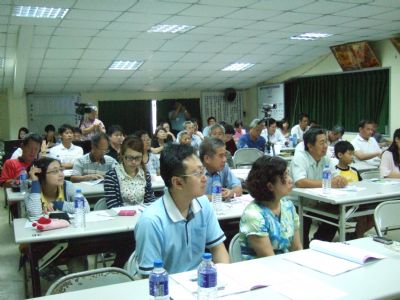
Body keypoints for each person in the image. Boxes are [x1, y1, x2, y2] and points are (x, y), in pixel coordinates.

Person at [134, 144, 229, 276]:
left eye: (203, 171)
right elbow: (149, 277)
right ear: (177, 182)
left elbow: (218, 248)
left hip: (200, 285)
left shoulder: (203, 204)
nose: (204, 178)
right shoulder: (151, 221)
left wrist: (224, 279)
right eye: (197, 173)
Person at [25, 157, 90, 273]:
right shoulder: (33, 192)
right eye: (54, 171)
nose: (60, 174)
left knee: (78, 258)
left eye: (61, 170)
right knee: (41, 264)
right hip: (45, 243)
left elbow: (85, 208)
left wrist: (58, 204)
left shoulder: (67, 186)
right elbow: (35, 215)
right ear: (42, 175)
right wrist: (35, 181)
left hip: (70, 240)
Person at [290, 128, 347, 248]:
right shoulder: (300, 158)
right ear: (310, 146)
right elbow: (300, 182)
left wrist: (341, 180)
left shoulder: (326, 159)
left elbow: (336, 177)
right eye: (322, 143)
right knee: (301, 242)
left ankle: (317, 243)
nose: (326, 146)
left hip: (317, 201)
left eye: (326, 142)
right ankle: (306, 247)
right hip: (296, 204)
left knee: (336, 213)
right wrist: (328, 183)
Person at [239, 156, 302, 259]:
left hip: (287, 266)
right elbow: (269, 259)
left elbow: (297, 248)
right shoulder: (254, 216)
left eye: (288, 174)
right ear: (270, 186)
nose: (290, 180)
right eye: (285, 177)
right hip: (262, 270)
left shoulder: (287, 205)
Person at [334, 141, 373, 238]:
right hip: (343, 204)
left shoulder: (354, 171)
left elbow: (362, 186)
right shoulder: (334, 171)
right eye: (349, 154)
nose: (352, 156)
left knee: (373, 212)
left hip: (358, 202)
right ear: (340, 155)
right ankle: (354, 236)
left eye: (353, 154)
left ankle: (357, 235)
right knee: (361, 216)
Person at [104, 135, 155, 208]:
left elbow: (150, 200)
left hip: (141, 215)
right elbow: (113, 206)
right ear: (122, 155)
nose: (134, 162)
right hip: (121, 217)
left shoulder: (145, 174)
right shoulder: (112, 176)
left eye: (137, 158)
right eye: (130, 158)